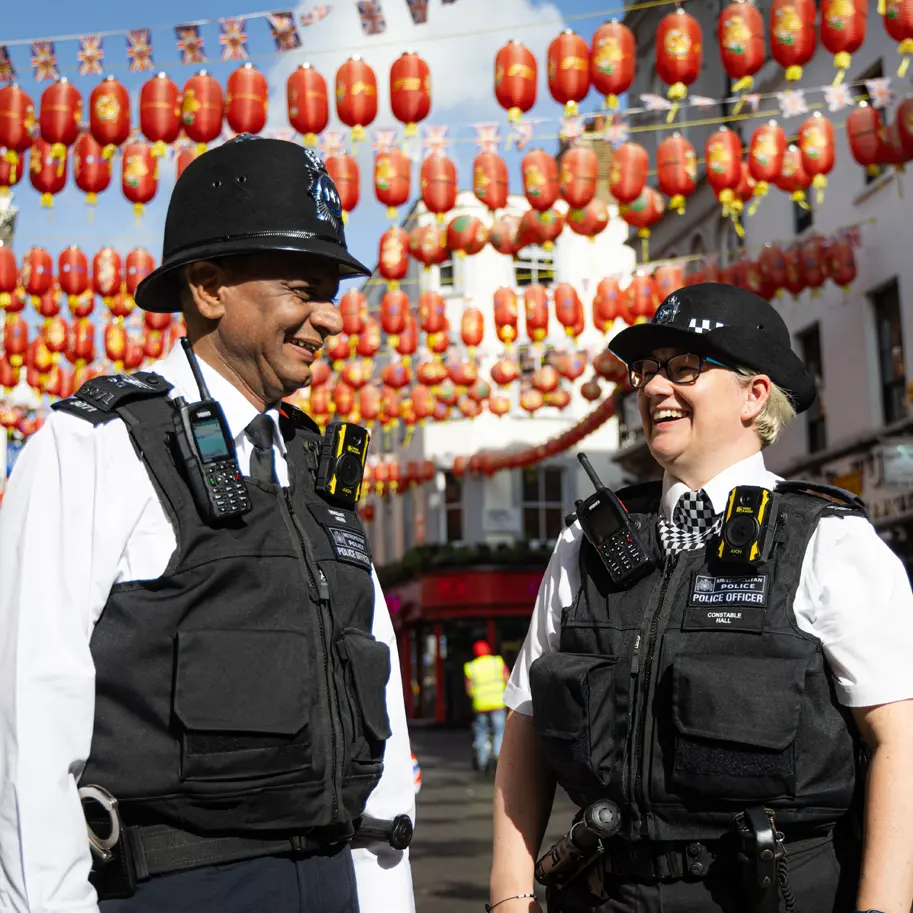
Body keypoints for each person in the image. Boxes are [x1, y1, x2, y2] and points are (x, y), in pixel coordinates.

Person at [0, 137, 415, 913]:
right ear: (208, 286)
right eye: (303, 288)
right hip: (179, 886)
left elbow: (375, 696)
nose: (329, 320)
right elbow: (27, 715)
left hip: (331, 879)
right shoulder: (95, 444)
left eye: (333, 292)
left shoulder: (316, 463)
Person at [490, 284, 913, 913]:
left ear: (754, 394)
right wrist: (509, 896)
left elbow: (896, 742)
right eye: (648, 369)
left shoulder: (829, 542)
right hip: (607, 893)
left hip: (769, 894)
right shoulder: (586, 541)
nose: (655, 388)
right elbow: (525, 722)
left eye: (683, 367)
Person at [465, 640, 510, 772]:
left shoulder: (471, 666)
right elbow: (507, 678)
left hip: (480, 705)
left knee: (481, 732)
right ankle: (497, 756)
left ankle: (482, 761)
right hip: (497, 703)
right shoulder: (497, 662)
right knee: (499, 731)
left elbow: (468, 689)